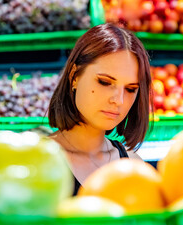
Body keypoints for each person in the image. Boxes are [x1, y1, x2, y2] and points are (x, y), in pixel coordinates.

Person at [48, 23, 152, 195]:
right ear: (74, 76)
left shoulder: (134, 166)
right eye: (104, 82)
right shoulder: (38, 161)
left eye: (130, 89)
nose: (118, 100)